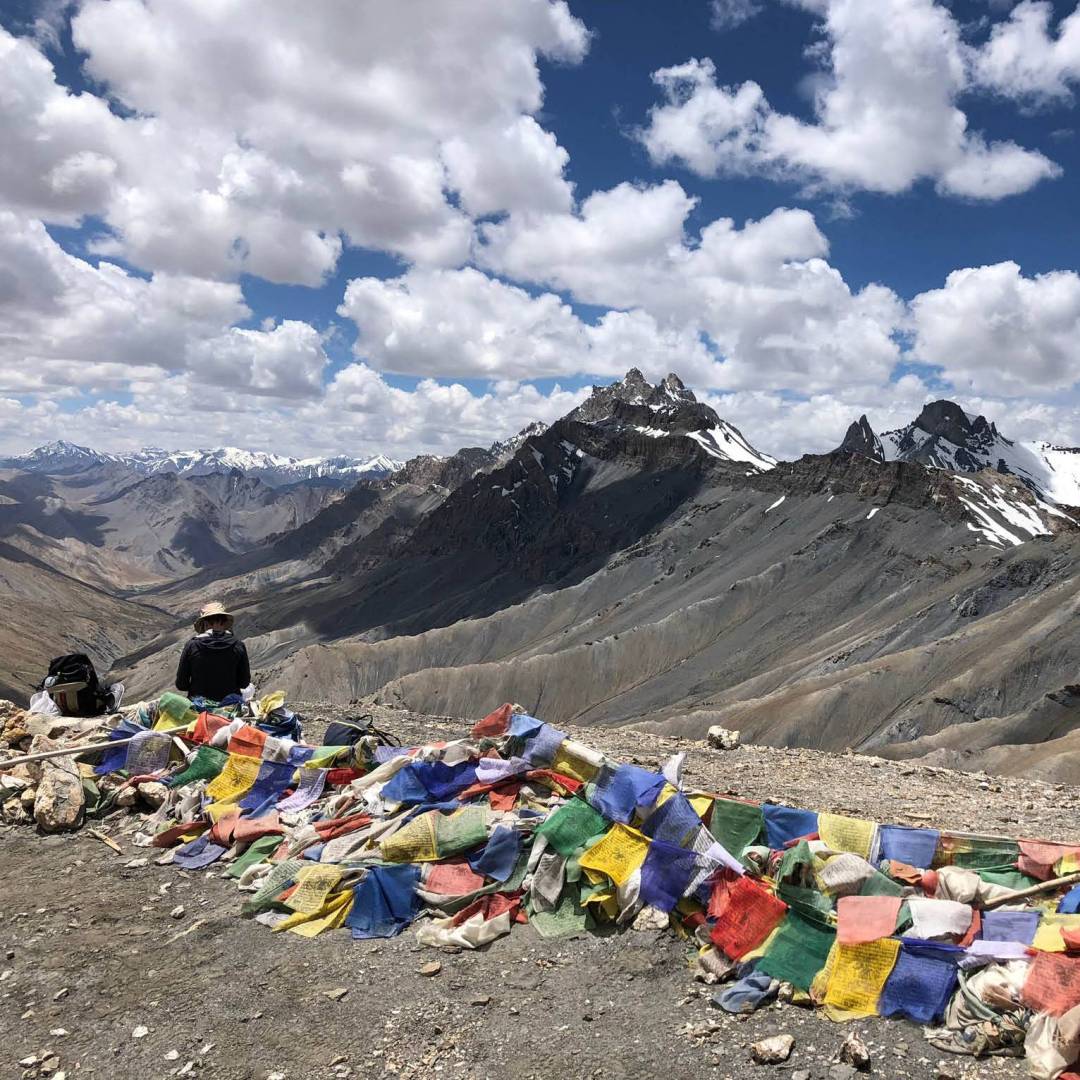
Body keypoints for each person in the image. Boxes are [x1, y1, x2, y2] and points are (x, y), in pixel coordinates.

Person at [175, 601, 251, 703]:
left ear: (204, 623)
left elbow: (181, 684)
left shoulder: (192, 645)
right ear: (224, 623)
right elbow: (244, 683)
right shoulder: (238, 645)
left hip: (200, 706)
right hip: (230, 706)